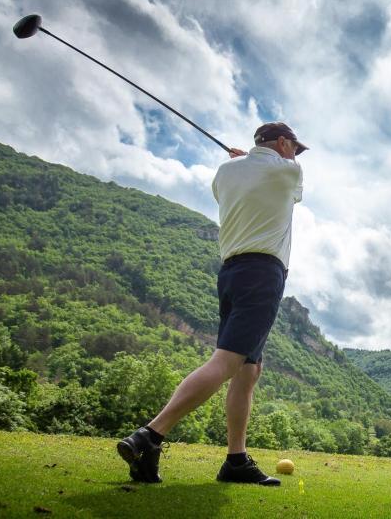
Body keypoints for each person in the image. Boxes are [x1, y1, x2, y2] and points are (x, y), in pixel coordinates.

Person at [116, 122, 308, 486]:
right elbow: (286, 181)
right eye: (294, 148)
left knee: (249, 369)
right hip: (263, 274)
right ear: (284, 143)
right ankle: (150, 435)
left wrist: (245, 160)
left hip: (231, 273)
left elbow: (250, 180)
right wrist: (257, 160)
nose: (295, 155)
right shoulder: (288, 171)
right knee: (226, 362)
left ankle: (236, 460)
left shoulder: (225, 173)